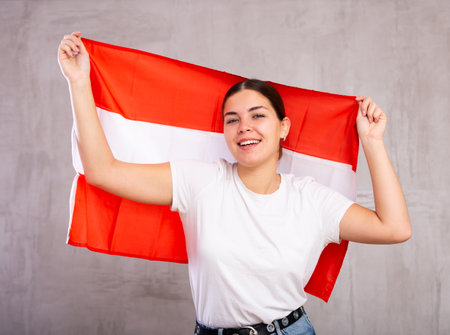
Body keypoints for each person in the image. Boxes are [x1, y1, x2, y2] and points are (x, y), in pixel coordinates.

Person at [58, 32, 411, 335]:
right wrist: (79, 82)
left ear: (283, 128)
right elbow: (103, 171)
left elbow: (394, 228)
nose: (244, 126)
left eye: (258, 116)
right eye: (232, 119)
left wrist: (373, 142)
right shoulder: (201, 181)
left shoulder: (311, 200)